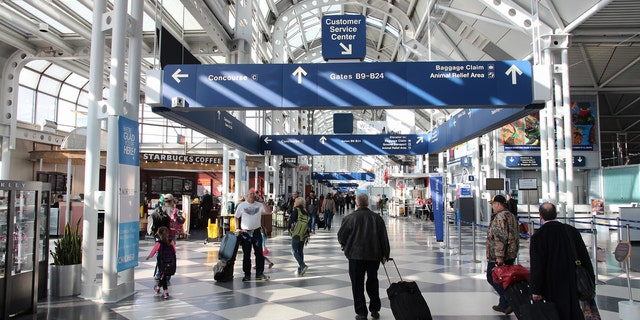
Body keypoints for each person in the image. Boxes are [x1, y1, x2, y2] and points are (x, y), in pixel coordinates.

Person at [530, 202, 595, 319]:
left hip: (551, 283)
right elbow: (584, 257)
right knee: (574, 311)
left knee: (555, 312)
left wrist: (536, 289)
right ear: (556, 214)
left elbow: (537, 266)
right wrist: (591, 280)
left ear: (540, 216)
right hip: (573, 280)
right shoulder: (571, 231)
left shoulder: (538, 236)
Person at [338, 193, 390, 320]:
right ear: (367, 203)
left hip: (355, 256)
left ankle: (361, 312)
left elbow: (341, 237)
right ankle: (375, 309)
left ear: (356, 203)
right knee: (373, 281)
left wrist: (346, 247)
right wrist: (385, 254)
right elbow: (383, 238)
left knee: (357, 284)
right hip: (373, 255)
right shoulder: (377, 218)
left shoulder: (349, 218)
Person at [485, 194, 520, 315]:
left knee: (492, 277)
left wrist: (499, 256)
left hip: (499, 255)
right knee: (505, 279)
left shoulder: (500, 217)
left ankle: (509, 300)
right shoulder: (511, 215)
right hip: (510, 253)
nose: (493, 207)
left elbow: (499, 238)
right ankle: (504, 304)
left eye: (494, 204)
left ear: (498, 204)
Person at [234, 189, 271, 282]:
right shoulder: (242, 205)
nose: (252, 195)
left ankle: (259, 273)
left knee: (259, 253)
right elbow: (236, 217)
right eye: (250, 194)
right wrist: (237, 228)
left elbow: (268, 212)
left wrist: (263, 201)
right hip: (246, 233)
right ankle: (247, 274)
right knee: (246, 254)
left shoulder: (259, 205)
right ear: (246, 196)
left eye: (253, 194)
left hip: (256, 231)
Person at [146, 226, 176, 299]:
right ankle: (158, 288)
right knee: (163, 275)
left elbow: (154, 251)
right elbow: (174, 251)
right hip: (170, 262)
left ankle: (165, 291)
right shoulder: (171, 241)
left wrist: (149, 256)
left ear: (159, 234)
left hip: (162, 262)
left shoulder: (159, 243)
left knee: (163, 275)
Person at [288, 197, 310, 276]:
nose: (294, 203)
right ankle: (300, 269)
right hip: (304, 234)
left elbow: (291, 221)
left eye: (295, 202)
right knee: (300, 250)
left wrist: (289, 229)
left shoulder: (296, 210)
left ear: (298, 203)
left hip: (296, 233)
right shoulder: (305, 211)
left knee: (293, 250)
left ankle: (302, 265)